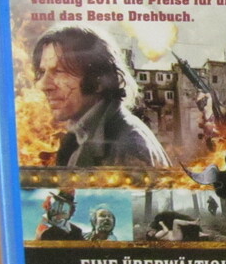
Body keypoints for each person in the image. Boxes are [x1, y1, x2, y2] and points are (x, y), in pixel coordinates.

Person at [32, 24, 170, 168]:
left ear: (99, 80)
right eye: (42, 72)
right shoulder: (78, 139)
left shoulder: (128, 147)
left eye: (59, 71)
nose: (43, 85)